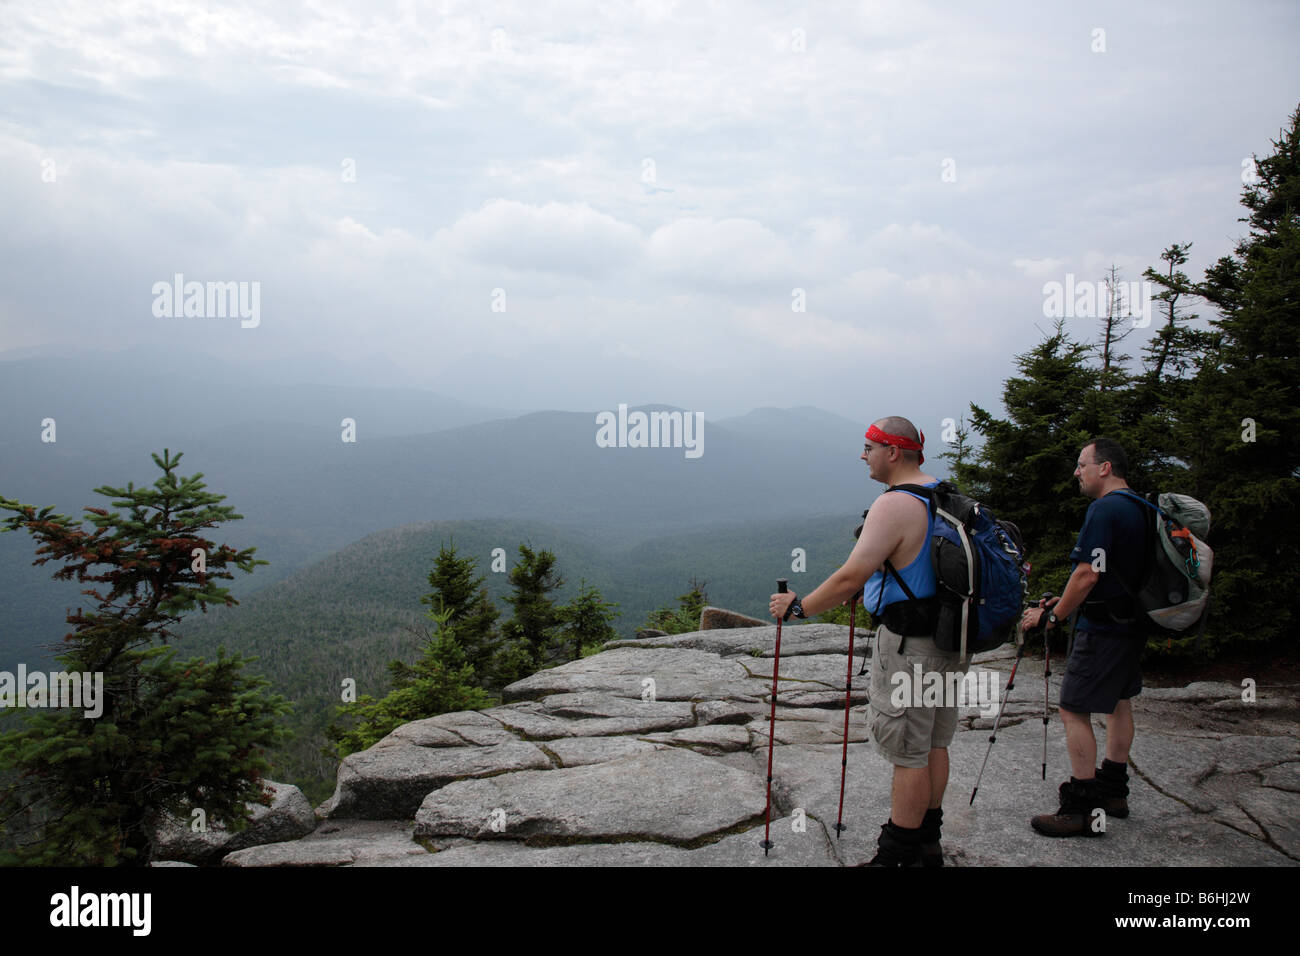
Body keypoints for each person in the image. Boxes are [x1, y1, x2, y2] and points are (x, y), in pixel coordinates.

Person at [770, 416, 965, 867]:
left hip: (911, 648)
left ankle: (897, 856)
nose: (863, 456)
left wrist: (799, 608)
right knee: (934, 744)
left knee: (909, 754)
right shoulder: (944, 493)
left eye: (869, 448)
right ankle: (926, 844)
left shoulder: (895, 503)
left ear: (894, 452)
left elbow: (850, 575)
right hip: (950, 641)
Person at [1020, 437, 1148, 837]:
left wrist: (1053, 615)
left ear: (1105, 468)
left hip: (1103, 629)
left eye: (1082, 464)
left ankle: (1082, 809)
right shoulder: (1143, 507)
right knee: (1118, 702)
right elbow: (1111, 572)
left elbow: (1087, 574)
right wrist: (1068, 600)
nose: (1077, 472)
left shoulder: (1103, 509)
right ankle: (1114, 791)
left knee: (1074, 709)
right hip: (1132, 624)